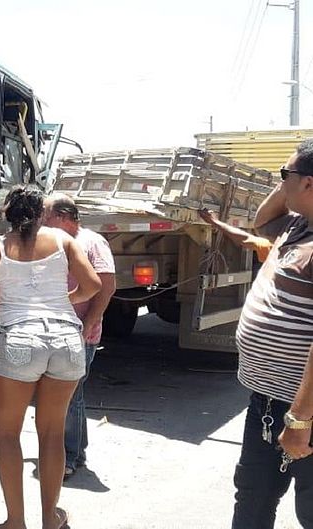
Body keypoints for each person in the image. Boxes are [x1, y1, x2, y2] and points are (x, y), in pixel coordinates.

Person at [0, 185, 101, 529]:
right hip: (66, 341)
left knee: (8, 435)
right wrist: (62, 301)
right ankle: (50, 518)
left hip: (21, 341)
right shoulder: (63, 240)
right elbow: (92, 286)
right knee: (53, 434)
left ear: (6, 213)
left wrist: (3, 299)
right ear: (41, 213)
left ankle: (15, 522)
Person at [231, 139, 313, 529]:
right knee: (252, 495)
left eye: (284, 176)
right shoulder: (296, 226)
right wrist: (290, 178)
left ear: (310, 184)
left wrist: (299, 419)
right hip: (267, 400)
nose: (279, 185)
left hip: (305, 412)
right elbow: (261, 221)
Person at [43, 193, 117, 479]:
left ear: (62, 217)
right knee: (74, 393)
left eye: (46, 215)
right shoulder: (55, 241)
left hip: (79, 332)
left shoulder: (91, 242)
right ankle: (76, 450)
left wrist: (91, 320)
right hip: (60, 330)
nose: (42, 221)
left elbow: (107, 285)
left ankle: (69, 456)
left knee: (68, 394)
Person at [198, 208, 274, 263]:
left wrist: (214, 222)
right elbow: (246, 239)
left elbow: (246, 239)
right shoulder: (278, 251)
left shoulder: (276, 250)